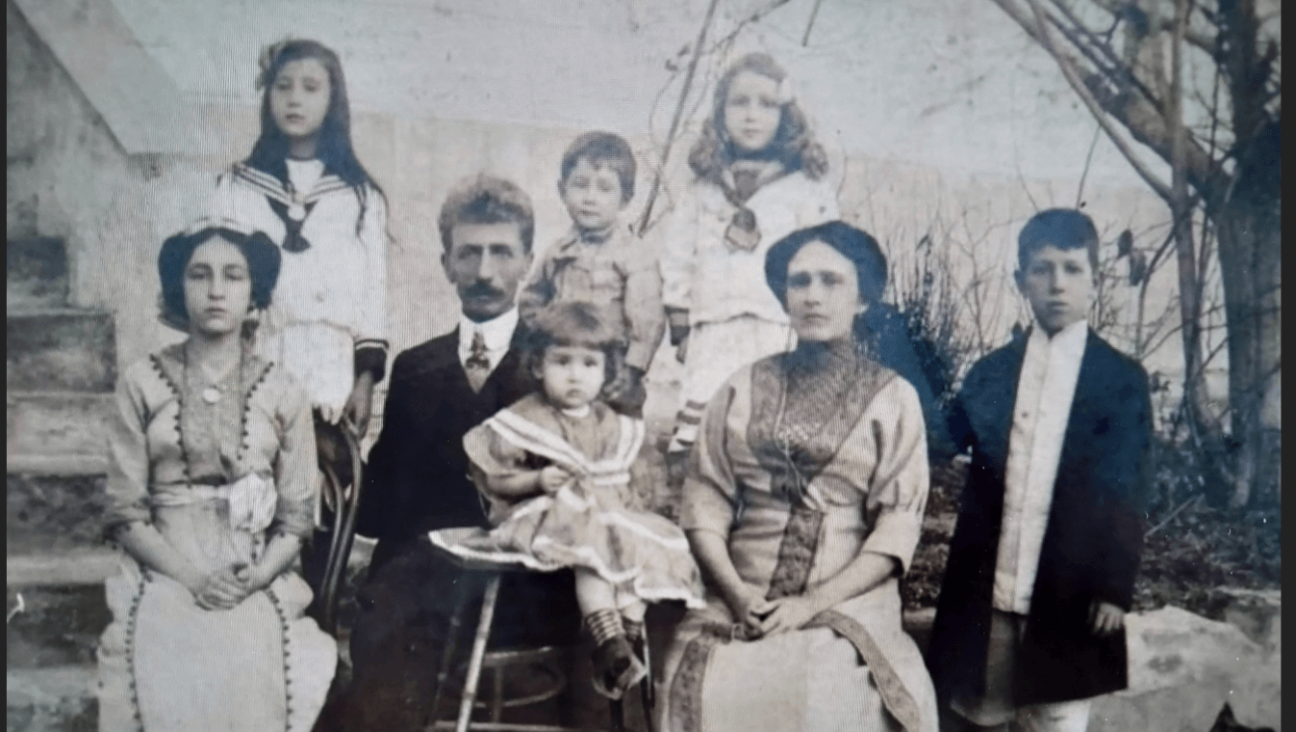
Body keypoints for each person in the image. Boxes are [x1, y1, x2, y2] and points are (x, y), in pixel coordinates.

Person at [659, 221, 939, 732]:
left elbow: (897, 527)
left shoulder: (893, 397)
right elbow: (706, 498)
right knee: (699, 678)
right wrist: (739, 595)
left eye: (831, 282)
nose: (813, 296)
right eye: (800, 282)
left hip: (846, 599)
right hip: (741, 592)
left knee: (826, 690)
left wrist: (811, 603)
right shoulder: (741, 387)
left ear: (862, 299)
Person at [340, 175, 583, 730]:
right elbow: (380, 509)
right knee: (386, 633)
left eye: (502, 252)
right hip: (426, 586)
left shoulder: (556, 370)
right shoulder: (415, 368)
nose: (484, 271)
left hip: (527, 581)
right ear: (446, 263)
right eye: (468, 253)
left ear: (526, 261)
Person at [96, 217, 337, 732]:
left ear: (255, 292)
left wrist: (258, 575)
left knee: (249, 644)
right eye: (199, 274)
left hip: (251, 564)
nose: (215, 291)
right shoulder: (141, 383)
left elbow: (296, 518)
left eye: (233, 275)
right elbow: (124, 512)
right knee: (168, 640)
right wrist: (191, 579)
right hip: (166, 565)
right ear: (177, 289)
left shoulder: (283, 390)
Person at [925, 209, 1153, 732]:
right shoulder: (992, 372)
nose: (1057, 285)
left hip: (1071, 586)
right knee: (981, 708)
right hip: (993, 579)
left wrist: (1114, 588)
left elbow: (1130, 488)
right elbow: (943, 439)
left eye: (1073, 269)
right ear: (1019, 280)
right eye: (1042, 269)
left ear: (1096, 280)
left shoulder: (1119, 379)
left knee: (1056, 715)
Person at [431, 301, 705, 699]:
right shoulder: (528, 417)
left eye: (589, 365)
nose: (575, 375)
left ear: (606, 372)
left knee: (639, 548)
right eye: (562, 362)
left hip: (605, 520)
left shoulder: (614, 425)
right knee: (592, 555)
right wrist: (538, 478)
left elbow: (631, 485)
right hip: (547, 518)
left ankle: (623, 640)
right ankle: (608, 640)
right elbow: (497, 481)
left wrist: (628, 505)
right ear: (540, 366)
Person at [214, 38, 390, 593]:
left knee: (325, 499)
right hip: (264, 354)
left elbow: (371, 294)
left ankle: (319, 614)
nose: (295, 100)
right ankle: (258, 622)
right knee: (257, 495)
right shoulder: (237, 186)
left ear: (332, 100)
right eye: (283, 86)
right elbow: (223, 277)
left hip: (332, 373)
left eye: (311, 88)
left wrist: (363, 380)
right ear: (267, 97)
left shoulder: (359, 196)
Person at [655, 51, 840, 471]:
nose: (751, 115)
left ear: (786, 113)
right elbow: (679, 256)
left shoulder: (804, 188)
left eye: (766, 103)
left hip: (775, 327)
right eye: (739, 102)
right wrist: (681, 325)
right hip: (713, 327)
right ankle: (699, 503)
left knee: (765, 426)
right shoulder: (704, 187)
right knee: (704, 424)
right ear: (720, 112)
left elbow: (827, 257)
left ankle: (758, 511)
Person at [517, 131, 665, 418]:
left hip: (611, 365)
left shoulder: (635, 255)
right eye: (580, 185)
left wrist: (632, 370)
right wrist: (545, 334)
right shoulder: (557, 251)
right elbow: (531, 298)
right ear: (562, 191)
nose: (590, 198)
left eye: (604, 189)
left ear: (625, 199)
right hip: (562, 362)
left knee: (612, 429)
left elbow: (648, 320)